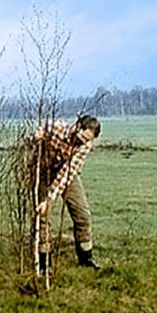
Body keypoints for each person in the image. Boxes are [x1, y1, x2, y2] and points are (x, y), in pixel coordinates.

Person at [33, 114, 101, 271]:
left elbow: (66, 175)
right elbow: (38, 133)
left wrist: (50, 197)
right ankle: (44, 263)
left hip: (66, 172)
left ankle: (85, 258)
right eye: (83, 137)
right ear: (77, 127)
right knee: (42, 216)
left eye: (88, 140)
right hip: (43, 172)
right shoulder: (56, 128)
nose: (83, 142)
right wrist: (37, 137)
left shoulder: (85, 146)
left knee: (83, 214)